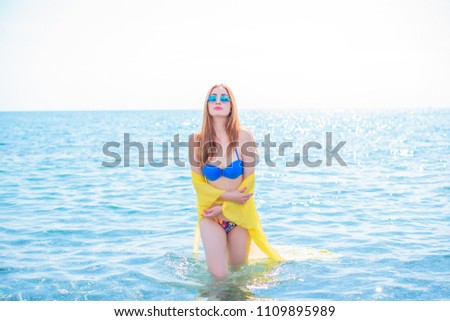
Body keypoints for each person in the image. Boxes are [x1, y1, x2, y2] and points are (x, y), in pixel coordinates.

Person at [190, 84, 282, 280]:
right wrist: (227, 197)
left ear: (232, 106)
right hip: (210, 215)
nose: (217, 101)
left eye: (224, 98)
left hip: (239, 217)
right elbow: (199, 186)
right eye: (212, 98)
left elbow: (249, 183)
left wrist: (226, 208)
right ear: (206, 105)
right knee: (219, 277)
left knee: (239, 277)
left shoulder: (244, 136)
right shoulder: (196, 140)